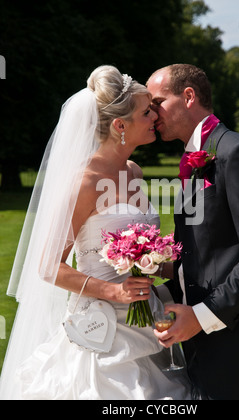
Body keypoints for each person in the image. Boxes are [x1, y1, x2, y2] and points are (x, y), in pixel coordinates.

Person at [0, 65, 191, 400]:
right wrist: (113, 292)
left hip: (147, 319)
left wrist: (161, 266)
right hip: (101, 330)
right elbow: (47, 265)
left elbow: (140, 250)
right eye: (146, 112)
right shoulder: (84, 183)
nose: (155, 117)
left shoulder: (133, 171)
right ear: (120, 125)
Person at [147, 63, 239, 400]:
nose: (152, 112)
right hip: (208, 348)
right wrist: (154, 292)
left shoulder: (238, 153)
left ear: (188, 96)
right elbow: (209, 254)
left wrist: (202, 317)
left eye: (158, 101)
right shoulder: (192, 160)